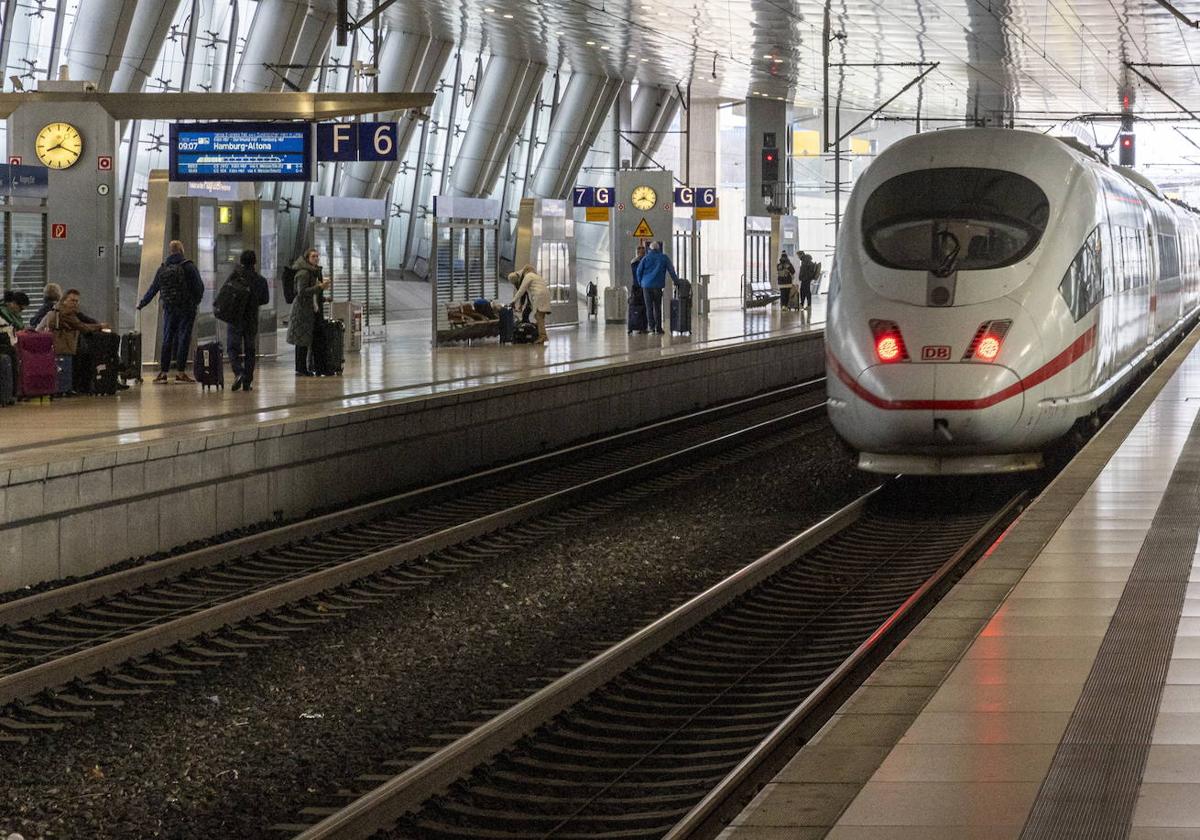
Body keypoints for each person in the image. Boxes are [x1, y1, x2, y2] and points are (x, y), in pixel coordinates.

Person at [137, 240, 204, 383]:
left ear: (170, 251)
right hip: (186, 308)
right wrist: (194, 303)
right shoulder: (189, 267)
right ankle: (180, 373)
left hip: (169, 308)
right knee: (183, 339)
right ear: (181, 250)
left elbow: (154, 288)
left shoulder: (163, 268)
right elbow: (199, 287)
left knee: (167, 339)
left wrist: (143, 303)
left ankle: (163, 372)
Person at [41, 288, 110, 393]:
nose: (75, 303)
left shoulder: (59, 311)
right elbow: (82, 327)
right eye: (72, 300)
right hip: (62, 346)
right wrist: (100, 326)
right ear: (64, 300)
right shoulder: (65, 313)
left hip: (60, 346)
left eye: (77, 301)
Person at [224, 249, 270, 392]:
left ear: (241, 261)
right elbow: (265, 299)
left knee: (232, 348)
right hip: (251, 318)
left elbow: (225, 292)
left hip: (235, 317)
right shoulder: (260, 280)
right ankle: (247, 382)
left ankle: (238, 372)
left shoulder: (235, 277)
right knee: (250, 350)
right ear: (255, 262)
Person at [286, 248, 330, 376]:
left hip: (313, 311)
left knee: (314, 338)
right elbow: (302, 292)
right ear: (307, 258)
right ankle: (301, 368)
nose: (316, 258)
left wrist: (324, 297)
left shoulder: (315, 272)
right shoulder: (304, 273)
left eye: (317, 256)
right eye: (313, 256)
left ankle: (317, 367)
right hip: (302, 312)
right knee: (302, 341)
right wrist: (319, 287)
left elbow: (314, 295)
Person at [634, 241, 679, 335]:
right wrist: (676, 281)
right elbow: (671, 270)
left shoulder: (646, 258)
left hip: (646, 286)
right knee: (657, 307)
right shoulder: (664, 258)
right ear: (658, 248)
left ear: (649, 249)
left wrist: (640, 282)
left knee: (649, 307)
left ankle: (651, 327)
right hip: (658, 286)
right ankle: (658, 328)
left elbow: (638, 271)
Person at [509, 263, 552, 344]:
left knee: (539, 317)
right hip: (546, 295)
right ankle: (540, 334)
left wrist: (513, 301)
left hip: (539, 296)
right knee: (540, 316)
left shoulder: (528, 276)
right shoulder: (536, 276)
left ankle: (543, 336)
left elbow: (521, 291)